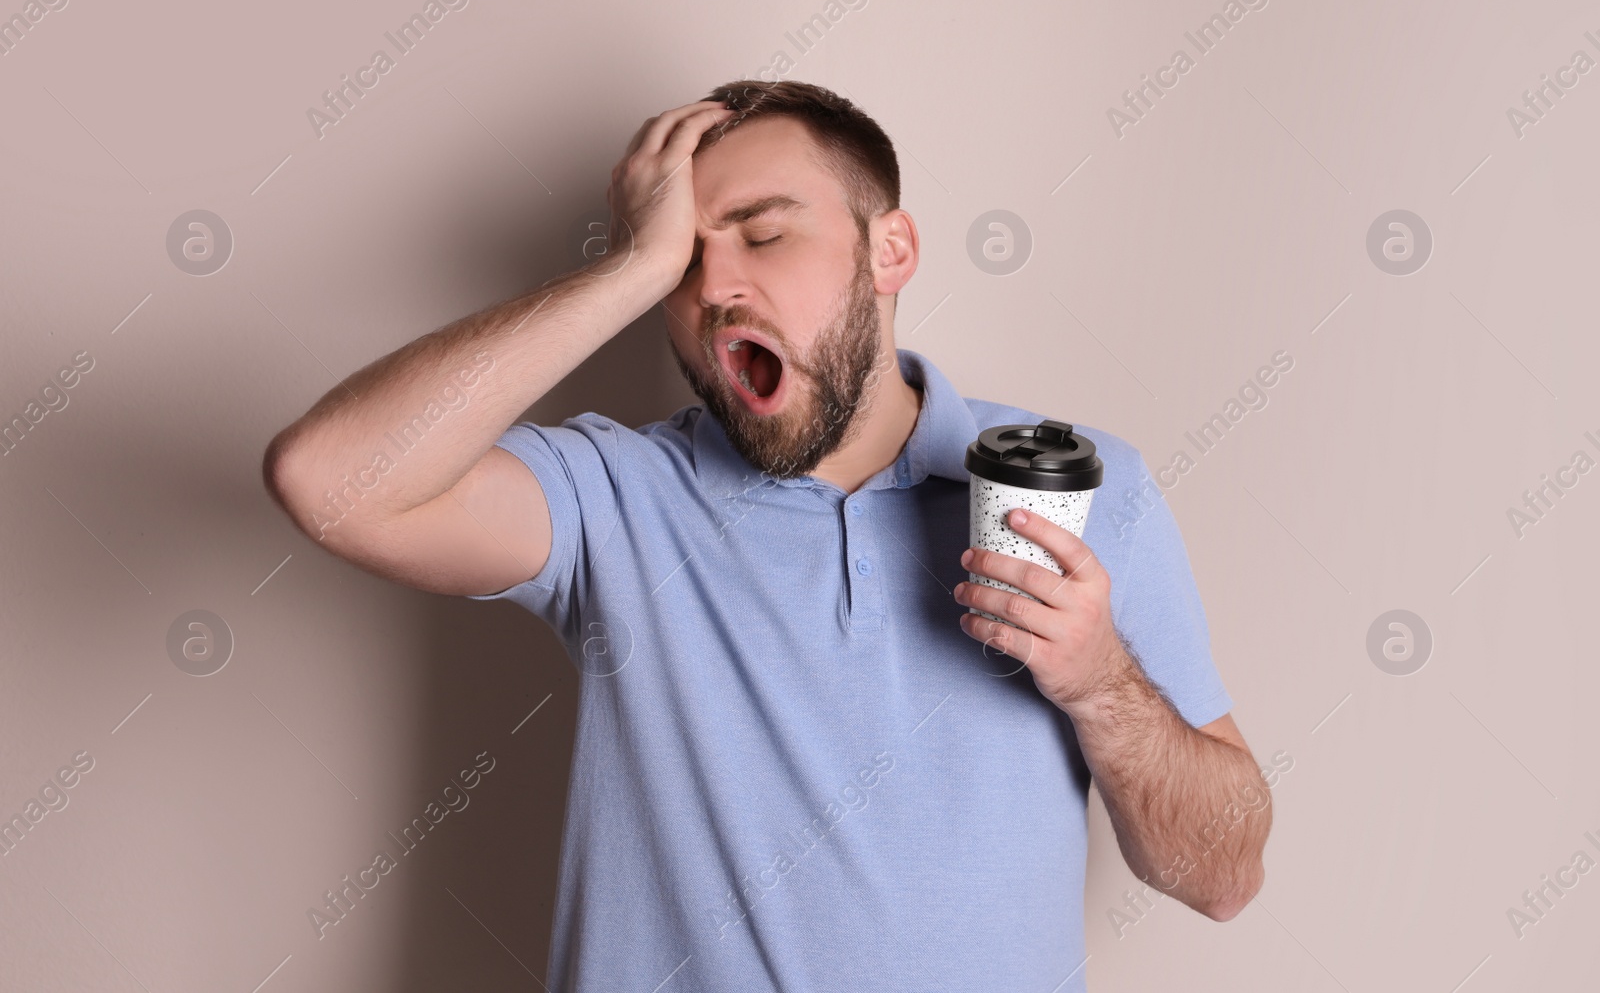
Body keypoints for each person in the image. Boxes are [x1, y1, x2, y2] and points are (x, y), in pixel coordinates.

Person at [263, 79, 1271, 991]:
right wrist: (630, 266)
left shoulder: (1071, 491)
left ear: (890, 250)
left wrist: (1100, 680)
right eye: (685, 261)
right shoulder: (616, 495)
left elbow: (1221, 875)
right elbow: (329, 481)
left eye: (762, 233)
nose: (714, 287)